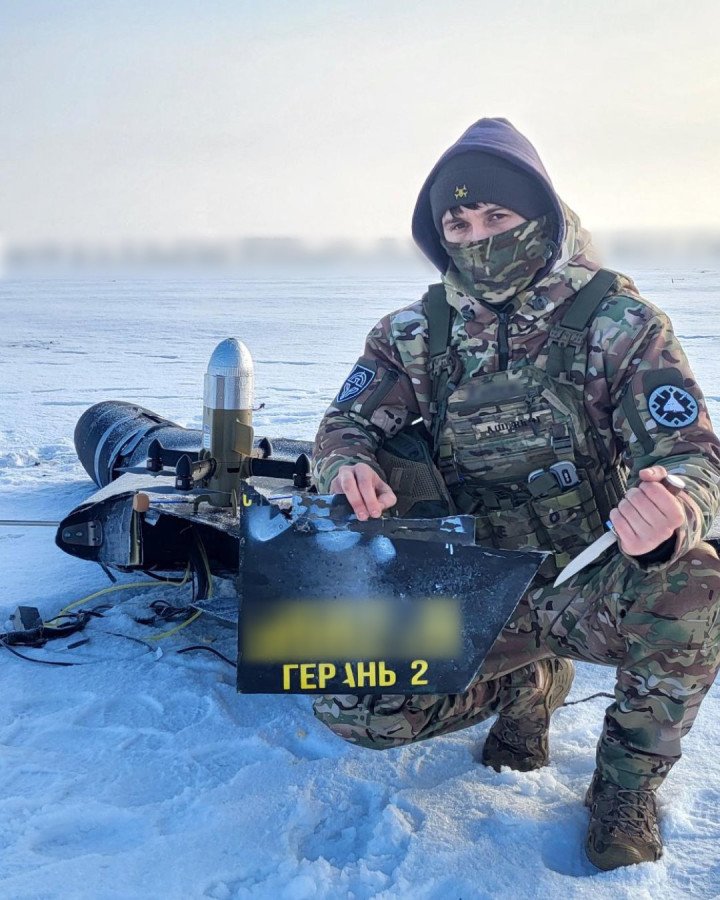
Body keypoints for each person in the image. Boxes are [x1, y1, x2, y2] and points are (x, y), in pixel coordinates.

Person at [310, 117, 720, 871]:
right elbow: (343, 423)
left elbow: (691, 453)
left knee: (696, 579)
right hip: (473, 578)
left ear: (543, 217)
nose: (478, 236)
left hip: (588, 577)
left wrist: (674, 510)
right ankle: (530, 683)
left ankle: (624, 789)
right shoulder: (411, 334)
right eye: (457, 222)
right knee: (353, 704)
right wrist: (345, 466)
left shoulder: (618, 324)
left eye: (497, 215)